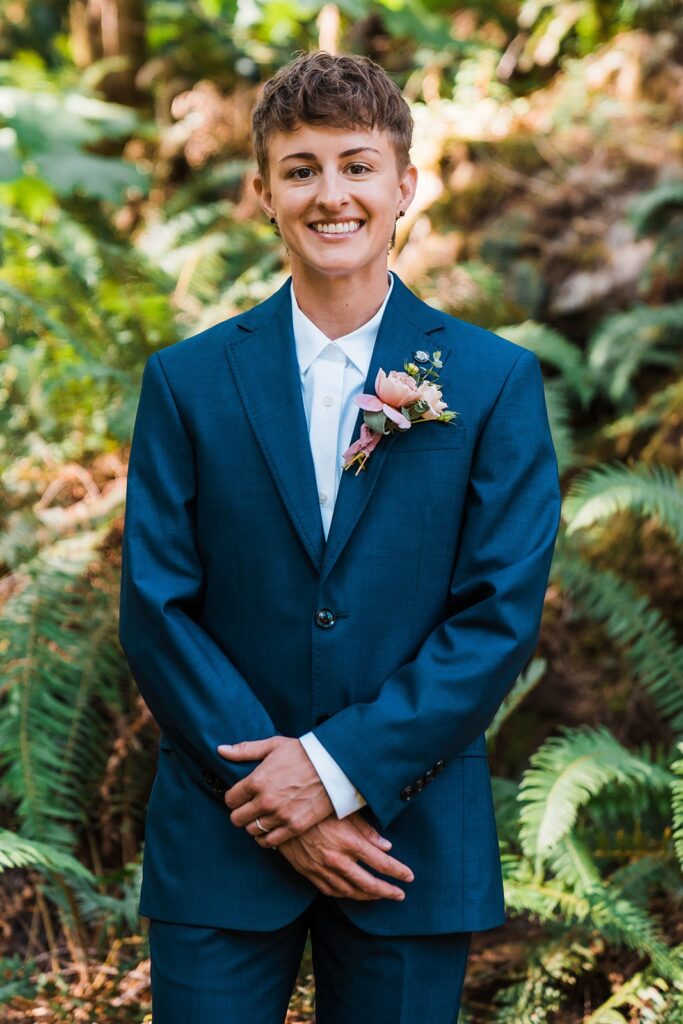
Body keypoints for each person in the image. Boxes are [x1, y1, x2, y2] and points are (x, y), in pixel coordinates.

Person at [119, 49, 561, 1024]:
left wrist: (333, 772)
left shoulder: (490, 385)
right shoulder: (185, 383)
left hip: (404, 840)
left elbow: (494, 617)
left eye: (357, 165)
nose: (332, 195)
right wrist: (274, 797)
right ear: (261, 193)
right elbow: (157, 605)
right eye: (301, 168)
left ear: (405, 185)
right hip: (221, 840)